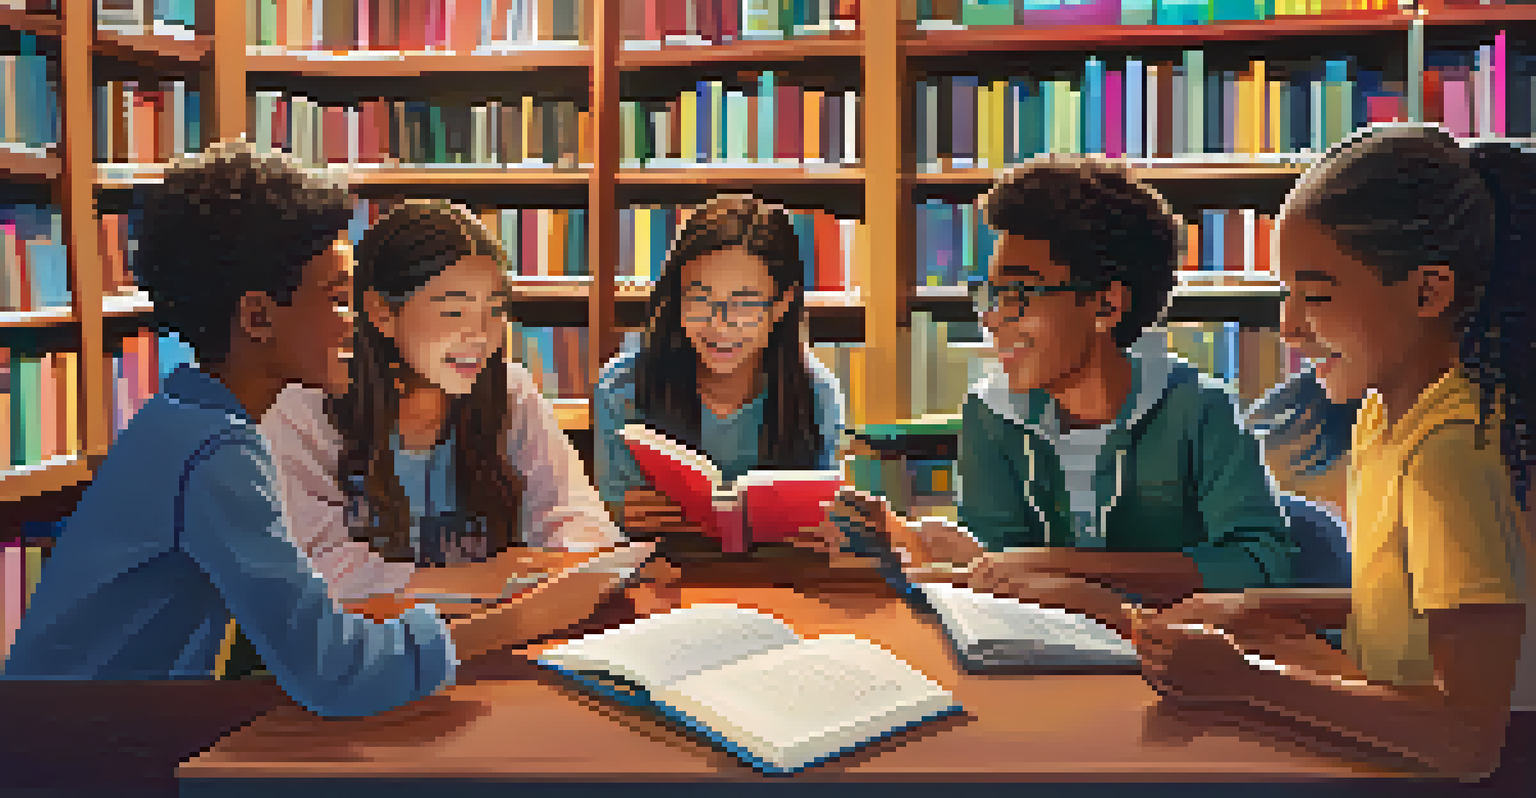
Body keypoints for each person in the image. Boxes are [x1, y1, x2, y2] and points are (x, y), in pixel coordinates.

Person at [1, 143, 640, 717]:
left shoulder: (188, 419)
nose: (350, 322)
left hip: (102, 727)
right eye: (334, 297)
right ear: (257, 318)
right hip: (72, 751)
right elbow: (333, 668)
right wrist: (527, 616)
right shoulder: (216, 453)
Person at [1138, 124, 1536, 780]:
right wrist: (1257, 607)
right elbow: (1414, 611)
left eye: (1316, 296)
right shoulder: (1387, 411)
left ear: (1427, 293)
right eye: (1287, 293)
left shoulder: (1452, 455)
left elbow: (1468, 741)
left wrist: (1246, 682)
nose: (1289, 326)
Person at [799, 155, 1296, 629]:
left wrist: (1058, 564)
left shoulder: (1198, 408)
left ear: (1105, 305)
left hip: (1180, 663)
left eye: (1018, 294)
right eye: (989, 295)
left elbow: (1261, 563)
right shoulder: (991, 414)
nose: (992, 318)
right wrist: (925, 551)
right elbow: (999, 574)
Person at [259, 200, 624, 603]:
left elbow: (572, 513)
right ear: (380, 312)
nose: (481, 335)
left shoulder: (509, 392)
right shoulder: (304, 407)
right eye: (453, 312)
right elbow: (314, 568)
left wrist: (576, 558)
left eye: (495, 311)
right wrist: (476, 580)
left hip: (498, 635)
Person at [594, 194, 845, 541]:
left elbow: (826, 521)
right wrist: (626, 515)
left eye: (743, 303)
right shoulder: (621, 390)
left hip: (780, 581)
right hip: (664, 580)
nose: (720, 325)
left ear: (782, 304)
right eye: (699, 299)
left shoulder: (818, 396)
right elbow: (607, 526)